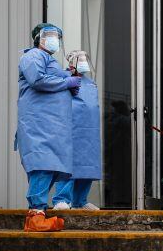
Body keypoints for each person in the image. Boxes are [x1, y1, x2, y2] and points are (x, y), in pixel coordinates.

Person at [15, 23, 82, 232]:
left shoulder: (50, 61)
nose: (55, 40)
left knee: (53, 167)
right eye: (51, 35)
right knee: (42, 166)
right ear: (39, 37)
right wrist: (67, 81)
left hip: (52, 126)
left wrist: (70, 78)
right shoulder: (32, 56)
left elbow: (61, 82)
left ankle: (38, 213)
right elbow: (38, 80)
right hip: (39, 125)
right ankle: (35, 215)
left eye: (58, 36)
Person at [53, 51, 101, 210]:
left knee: (87, 166)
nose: (84, 62)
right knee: (69, 166)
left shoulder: (91, 83)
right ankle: (62, 200)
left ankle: (80, 201)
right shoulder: (64, 80)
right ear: (72, 62)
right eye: (80, 60)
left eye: (85, 59)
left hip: (90, 132)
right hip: (70, 130)